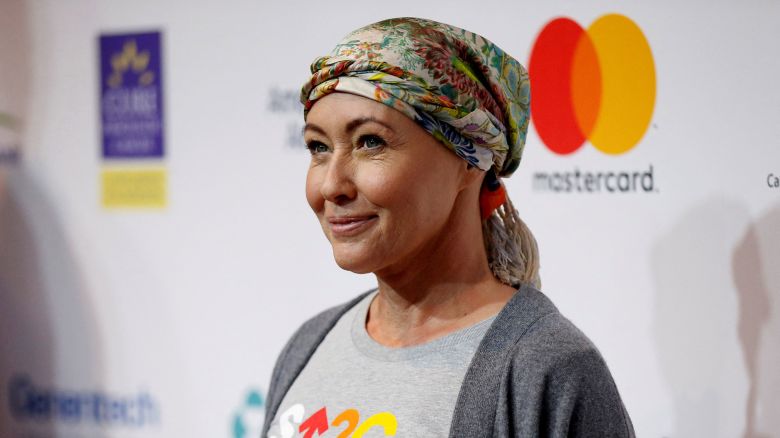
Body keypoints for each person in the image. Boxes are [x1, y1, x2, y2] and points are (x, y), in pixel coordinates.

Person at [262, 17, 634, 437]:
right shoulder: (309, 345)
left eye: (371, 142)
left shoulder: (545, 368)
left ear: (467, 160)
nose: (331, 185)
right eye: (318, 147)